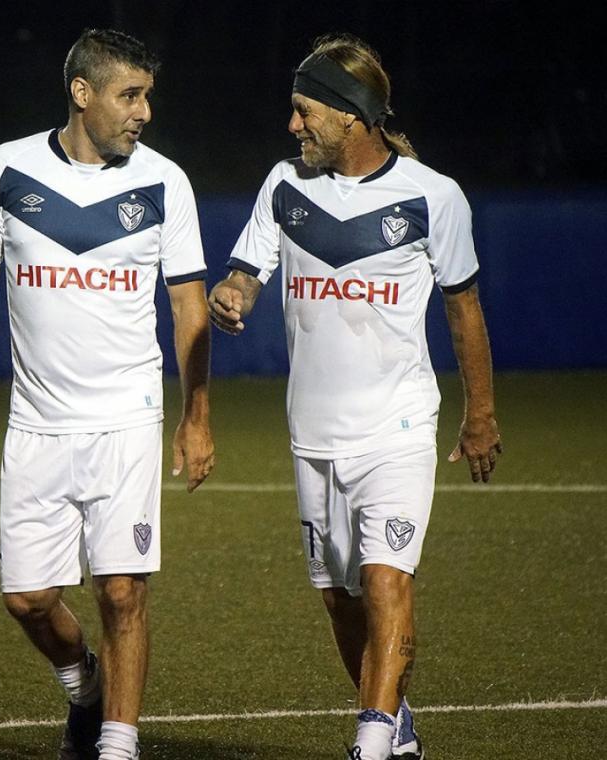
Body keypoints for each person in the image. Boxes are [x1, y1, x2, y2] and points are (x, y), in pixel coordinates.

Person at [208, 33, 501, 760]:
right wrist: (232, 294)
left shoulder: (434, 197)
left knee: (384, 580)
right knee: (340, 600)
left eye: (304, 111)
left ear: (351, 116)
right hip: (312, 434)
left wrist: (481, 414)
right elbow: (248, 269)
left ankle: (370, 742)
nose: (293, 126)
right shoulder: (285, 187)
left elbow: (464, 310)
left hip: (398, 425)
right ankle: (396, 726)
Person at [0, 28, 214, 760]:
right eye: (130, 95)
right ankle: (84, 689)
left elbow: (189, 307)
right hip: (36, 425)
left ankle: (117, 746)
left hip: (126, 419)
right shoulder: (9, 169)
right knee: (27, 601)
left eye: (148, 95)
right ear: (82, 93)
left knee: (122, 592)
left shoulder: (165, 182)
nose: (144, 111)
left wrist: (195, 417)